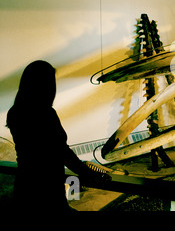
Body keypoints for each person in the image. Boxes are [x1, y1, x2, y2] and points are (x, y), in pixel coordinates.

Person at [6, 60, 109, 212]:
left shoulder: (14, 112)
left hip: (24, 185)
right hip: (47, 188)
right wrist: (88, 174)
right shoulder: (46, 114)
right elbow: (62, 151)